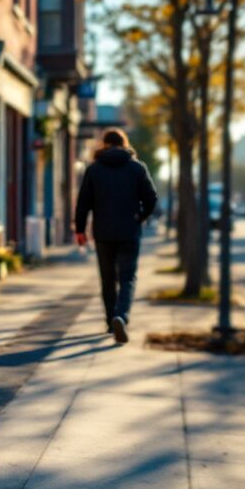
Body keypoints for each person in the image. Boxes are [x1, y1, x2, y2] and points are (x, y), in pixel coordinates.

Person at [74, 129, 159, 344]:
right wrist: (140, 217)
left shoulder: (94, 169)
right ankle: (121, 316)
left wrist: (80, 230)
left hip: (103, 232)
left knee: (107, 278)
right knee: (127, 277)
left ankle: (110, 320)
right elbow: (152, 197)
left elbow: (83, 202)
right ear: (124, 143)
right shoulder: (137, 168)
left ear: (104, 144)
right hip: (129, 231)